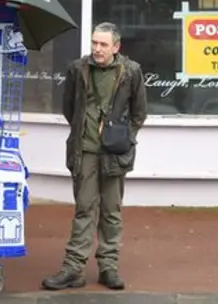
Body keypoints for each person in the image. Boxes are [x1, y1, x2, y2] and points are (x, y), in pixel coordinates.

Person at [41, 22, 147, 291]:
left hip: (115, 153)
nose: (97, 49)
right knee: (84, 209)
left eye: (103, 44)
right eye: (94, 43)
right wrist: (84, 131)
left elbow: (139, 113)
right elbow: (69, 109)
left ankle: (108, 267)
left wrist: (124, 137)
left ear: (116, 46)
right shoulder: (78, 69)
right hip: (84, 151)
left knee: (112, 211)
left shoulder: (131, 71)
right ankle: (73, 269)